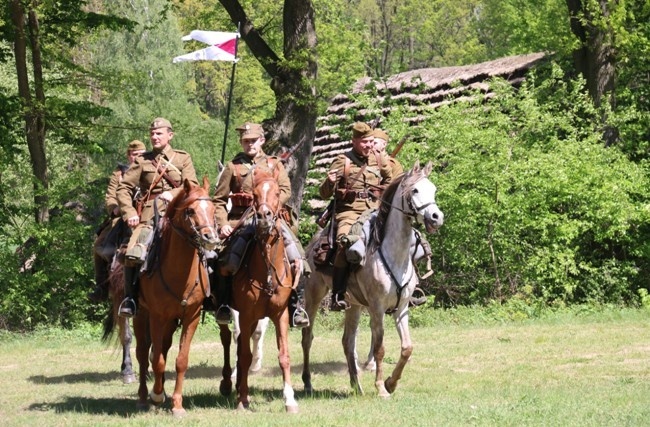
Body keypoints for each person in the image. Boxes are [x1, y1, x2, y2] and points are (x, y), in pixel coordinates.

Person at [211, 122, 309, 328]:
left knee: (298, 258)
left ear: (262, 141)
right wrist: (222, 224)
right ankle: (224, 305)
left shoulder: (274, 165)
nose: (249, 145)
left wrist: (269, 206)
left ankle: (296, 306)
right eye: (246, 141)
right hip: (240, 220)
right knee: (223, 260)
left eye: (253, 141)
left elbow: (286, 190)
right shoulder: (233, 167)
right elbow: (218, 200)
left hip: (272, 218)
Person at [116, 117, 199, 318]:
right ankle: (131, 299)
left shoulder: (182, 158)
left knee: (207, 248)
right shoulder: (142, 160)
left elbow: (193, 185)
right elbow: (123, 188)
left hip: (178, 215)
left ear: (170, 135)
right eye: (152, 133)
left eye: (159, 133)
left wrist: (173, 193)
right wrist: (130, 213)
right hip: (148, 216)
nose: (154, 136)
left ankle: (207, 294)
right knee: (133, 252)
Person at [319, 122, 392, 311]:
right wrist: (330, 182)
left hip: (375, 210)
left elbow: (390, 181)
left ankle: (407, 288)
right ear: (355, 141)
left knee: (403, 235)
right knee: (344, 242)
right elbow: (324, 193)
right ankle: (338, 293)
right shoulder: (343, 161)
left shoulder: (379, 158)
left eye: (370, 142)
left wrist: (383, 193)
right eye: (364, 142)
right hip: (349, 211)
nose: (368, 146)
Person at [88, 140, 146, 303]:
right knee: (99, 245)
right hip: (123, 217)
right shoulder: (120, 173)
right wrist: (114, 208)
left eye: (141, 154)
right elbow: (111, 195)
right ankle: (101, 287)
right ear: (129, 156)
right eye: (134, 154)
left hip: (146, 214)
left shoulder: (150, 168)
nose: (137, 157)